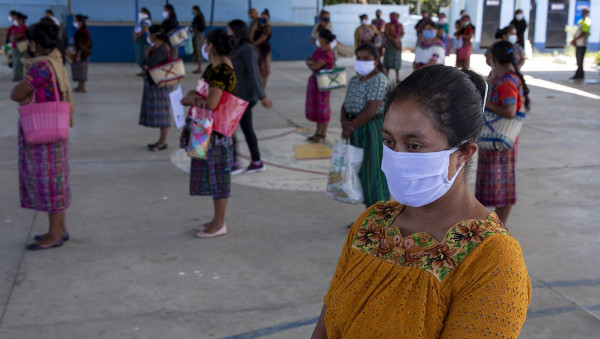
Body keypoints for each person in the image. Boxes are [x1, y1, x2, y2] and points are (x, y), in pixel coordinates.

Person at [311, 64, 531, 338]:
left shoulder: (492, 259)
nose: (397, 156)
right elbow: (325, 325)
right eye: (389, 141)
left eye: (414, 145)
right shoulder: (371, 223)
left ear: (463, 152)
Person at [10, 22, 75, 250]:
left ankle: (55, 233)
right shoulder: (56, 62)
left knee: (49, 184)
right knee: (56, 180)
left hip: (42, 132)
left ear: (35, 43)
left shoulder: (39, 68)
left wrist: (25, 96)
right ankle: (61, 229)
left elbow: (16, 93)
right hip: (55, 128)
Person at [180, 29, 238, 238]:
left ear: (210, 45)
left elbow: (212, 103)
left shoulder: (222, 70)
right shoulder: (213, 68)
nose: (203, 46)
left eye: (205, 42)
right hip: (206, 128)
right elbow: (203, 92)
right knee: (211, 174)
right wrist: (192, 95)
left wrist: (191, 100)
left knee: (219, 177)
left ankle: (220, 223)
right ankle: (215, 219)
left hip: (217, 132)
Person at [476, 41, 530, 225]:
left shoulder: (507, 81)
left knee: (501, 189)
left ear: (494, 58)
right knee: (500, 187)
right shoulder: (507, 76)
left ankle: (498, 227)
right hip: (501, 140)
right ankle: (496, 227)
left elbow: (509, 110)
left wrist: (485, 103)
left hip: (499, 141)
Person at [341, 43, 390, 208]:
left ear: (375, 61)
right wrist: (344, 124)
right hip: (354, 128)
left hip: (370, 129)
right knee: (360, 172)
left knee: (373, 172)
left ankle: (380, 217)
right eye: (358, 58)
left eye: (365, 59)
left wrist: (350, 127)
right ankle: (367, 216)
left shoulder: (379, 80)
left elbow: (371, 110)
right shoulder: (355, 80)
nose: (361, 62)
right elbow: (345, 104)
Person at [228, 19, 273, 174]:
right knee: (246, 129)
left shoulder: (247, 50)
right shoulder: (237, 48)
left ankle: (234, 162)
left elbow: (255, 74)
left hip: (244, 96)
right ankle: (256, 161)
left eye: (229, 30)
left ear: (236, 31)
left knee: (229, 128)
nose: (228, 33)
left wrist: (262, 97)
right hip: (238, 95)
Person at [138, 25, 174, 151]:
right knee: (160, 113)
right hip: (155, 83)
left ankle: (162, 142)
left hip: (160, 85)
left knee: (163, 113)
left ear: (155, 36)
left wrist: (147, 54)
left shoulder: (162, 49)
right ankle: (160, 140)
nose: (148, 36)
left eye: (149, 34)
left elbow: (151, 63)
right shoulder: (157, 47)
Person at [305, 29, 336, 143]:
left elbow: (314, 65)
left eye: (318, 38)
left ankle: (322, 133)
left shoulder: (328, 53)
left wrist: (312, 64)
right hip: (315, 84)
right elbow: (310, 61)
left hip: (323, 84)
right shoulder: (320, 51)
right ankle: (318, 133)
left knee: (323, 109)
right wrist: (312, 64)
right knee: (318, 109)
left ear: (322, 39)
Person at [71, 14, 92, 93]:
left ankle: (83, 87)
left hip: (82, 54)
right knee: (78, 70)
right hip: (78, 52)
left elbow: (82, 44)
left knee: (82, 70)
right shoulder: (78, 30)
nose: (74, 22)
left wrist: (79, 54)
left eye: (75, 20)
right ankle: (79, 86)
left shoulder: (83, 31)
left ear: (80, 22)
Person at [252, 9, 273, 88]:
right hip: (256, 49)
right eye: (262, 16)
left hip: (264, 49)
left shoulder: (268, 28)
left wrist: (253, 44)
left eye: (265, 17)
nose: (263, 18)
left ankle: (262, 86)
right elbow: (251, 35)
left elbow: (263, 38)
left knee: (265, 70)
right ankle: (259, 86)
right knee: (258, 69)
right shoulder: (257, 26)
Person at [570, 7, 591, 80]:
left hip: (582, 44)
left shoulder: (587, 22)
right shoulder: (581, 21)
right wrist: (574, 40)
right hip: (578, 43)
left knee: (580, 59)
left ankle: (580, 74)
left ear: (587, 13)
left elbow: (583, 32)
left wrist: (575, 39)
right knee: (578, 59)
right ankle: (578, 73)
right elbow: (578, 32)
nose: (582, 14)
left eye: (583, 12)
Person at [383, 12, 404, 81]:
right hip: (390, 44)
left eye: (396, 16)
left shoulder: (400, 25)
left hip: (398, 44)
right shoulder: (388, 25)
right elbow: (387, 34)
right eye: (393, 16)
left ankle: (397, 77)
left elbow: (402, 33)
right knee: (388, 60)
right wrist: (393, 41)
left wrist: (397, 40)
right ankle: (386, 76)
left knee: (397, 60)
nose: (394, 18)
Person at [133, 8, 152, 75]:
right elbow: (136, 30)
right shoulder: (140, 21)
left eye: (142, 12)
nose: (140, 13)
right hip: (139, 40)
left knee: (143, 55)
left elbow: (144, 30)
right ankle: (144, 70)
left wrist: (137, 36)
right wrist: (135, 36)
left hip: (144, 41)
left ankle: (146, 70)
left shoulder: (147, 21)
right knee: (140, 55)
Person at [10, 12, 28, 81]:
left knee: (20, 62)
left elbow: (18, 36)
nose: (16, 21)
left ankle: (19, 76)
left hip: (22, 45)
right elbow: (13, 37)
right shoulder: (16, 28)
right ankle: (17, 76)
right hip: (15, 46)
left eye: (17, 19)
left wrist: (15, 37)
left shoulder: (24, 27)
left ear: (20, 20)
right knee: (16, 61)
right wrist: (14, 37)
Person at [190, 5, 206, 74]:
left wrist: (194, 29)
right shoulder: (197, 17)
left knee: (198, 49)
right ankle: (198, 67)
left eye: (193, 10)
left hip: (199, 35)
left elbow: (201, 27)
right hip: (196, 34)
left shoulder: (200, 18)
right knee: (196, 50)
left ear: (196, 10)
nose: (192, 12)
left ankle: (200, 68)